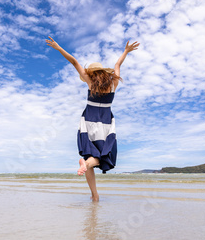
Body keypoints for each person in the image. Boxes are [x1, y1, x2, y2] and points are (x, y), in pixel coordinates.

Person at [46, 36, 140, 202]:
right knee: (103, 155)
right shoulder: (113, 84)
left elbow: (75, 62)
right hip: (105, 122)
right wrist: (126, 51)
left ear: (91, 73)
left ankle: (94, 193)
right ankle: (93, 189)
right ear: (104, 73)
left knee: (90, 156)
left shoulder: (90, 83)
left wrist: (59, 48)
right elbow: (118, 65)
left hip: (88, 120)